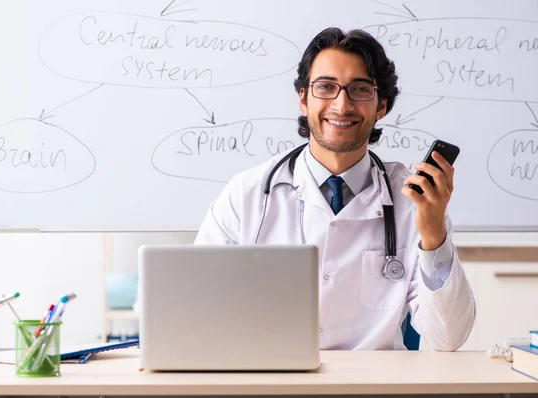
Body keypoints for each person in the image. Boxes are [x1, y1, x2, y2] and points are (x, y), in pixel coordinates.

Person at [194, 27, 475, 351]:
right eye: (326, 87)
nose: (342, 105)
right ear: (303, 98)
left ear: (381, 106)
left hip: (373, 388)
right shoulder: (247, 195)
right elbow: (198, 310)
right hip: (271, 383)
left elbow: (449, 338)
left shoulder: (414, 200)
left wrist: (433, 235)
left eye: (359, 89)